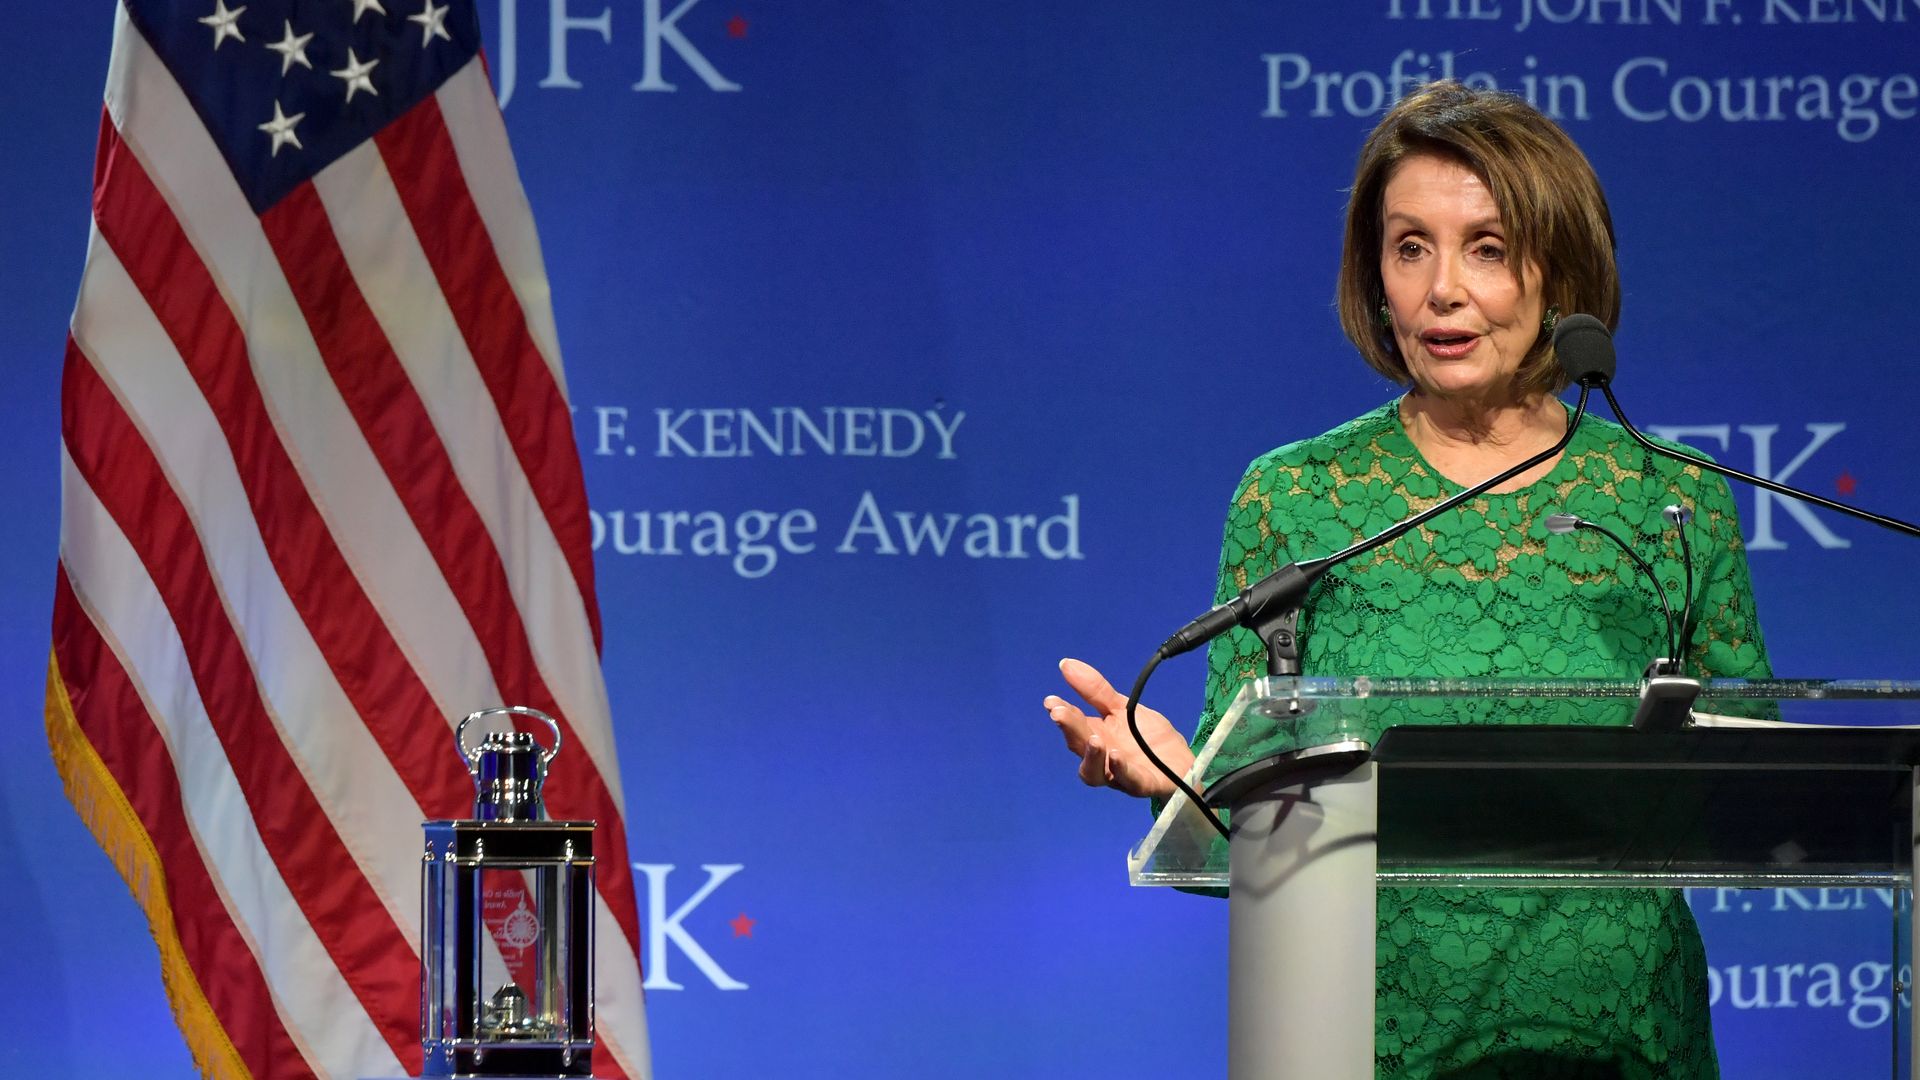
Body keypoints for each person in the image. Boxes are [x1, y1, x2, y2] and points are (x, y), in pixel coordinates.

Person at [1045, 80, 1770, 1079]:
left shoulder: (1668, 497)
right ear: (1374, 272)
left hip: (1622, 1037)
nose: (1442, 290)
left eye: (1487, 247)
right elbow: (1260, 832)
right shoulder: (1296, 496)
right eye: (1409, 246)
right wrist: (1181, 784)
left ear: (1557, 268)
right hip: (1367, 1034)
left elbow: (1759, 799)